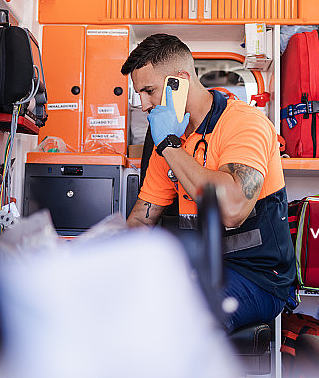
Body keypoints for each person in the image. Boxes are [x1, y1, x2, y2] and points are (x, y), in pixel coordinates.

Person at [122, 33, 295, 332]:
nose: (144, 104)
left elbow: (232, 210)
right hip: (199, 268)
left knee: (173, 321)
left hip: (258, 277)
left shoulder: (244, 123)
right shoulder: (170, 138)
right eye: (140, 94)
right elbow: (141, 218)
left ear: (179, 82)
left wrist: (169, 146)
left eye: (149, 91)